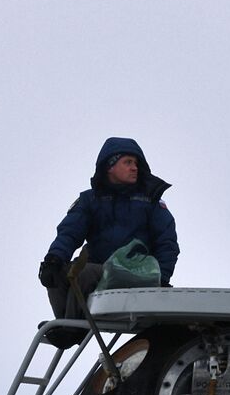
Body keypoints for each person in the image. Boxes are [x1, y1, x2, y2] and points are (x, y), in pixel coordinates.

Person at [38, 137, 179, 327]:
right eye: (128, 162)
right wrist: (53, 259)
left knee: (84, 273)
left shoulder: (150, 201)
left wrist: (162, 278)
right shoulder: (91, 200)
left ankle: (70, 328)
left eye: (136, 163)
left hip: (137, 272)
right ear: (110, 166)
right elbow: (70, 232)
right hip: (101, 268)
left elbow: (167, 241)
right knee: (58, 274)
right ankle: (65, 322)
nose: (134, 168)